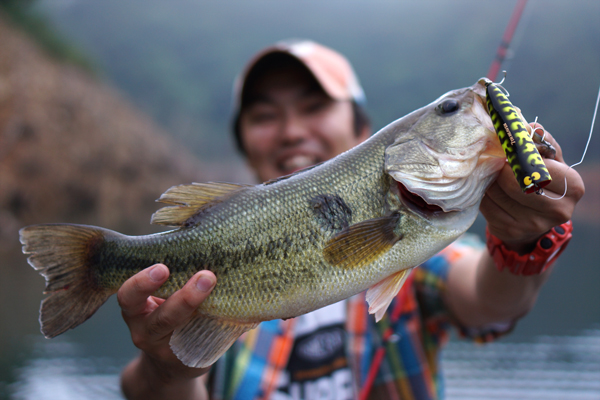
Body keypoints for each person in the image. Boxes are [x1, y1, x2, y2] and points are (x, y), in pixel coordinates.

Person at [118, 40, 584, 400]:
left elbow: (490, 301)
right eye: (264, 115)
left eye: (315, 106)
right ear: (243, 145)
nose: (292, 130)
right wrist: (166, 371)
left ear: (365, 131)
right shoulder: (202, 297)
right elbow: (141, 388)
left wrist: (525, 241)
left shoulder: (425, 261)